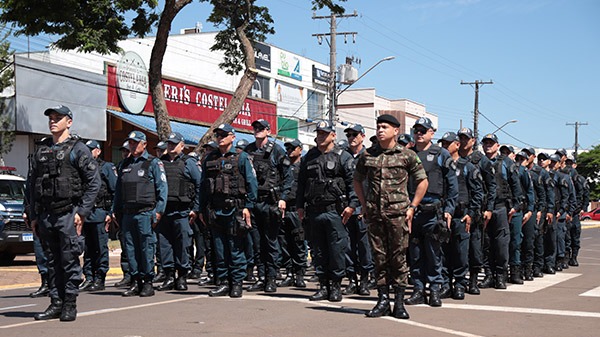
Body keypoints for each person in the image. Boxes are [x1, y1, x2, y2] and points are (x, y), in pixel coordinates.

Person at [29, 105, 101, 321]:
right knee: (51, 261)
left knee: (69, 260)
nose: (53, 121)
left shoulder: (78, 149)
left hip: (68, 214)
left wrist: (82, 212)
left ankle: (70, 304)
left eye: (58, 118)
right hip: (46, 215)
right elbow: (31, 185)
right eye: (51, 118)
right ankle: (56, 302)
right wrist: (32, 214)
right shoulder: (41, 150)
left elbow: (94, 183)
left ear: (69, 122)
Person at [354, 114, 428, 319]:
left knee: (398, 258)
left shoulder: (407, 155)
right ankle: (383, 300)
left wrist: (412, 206)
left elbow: (423, 181)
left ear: (396, 131)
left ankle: (399, 302)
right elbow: (357, 180)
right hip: (375, 216)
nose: (380, 130)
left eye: (385, 127)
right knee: (379, 258)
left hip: (398, 215)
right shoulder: (368, 155)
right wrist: (363, 204)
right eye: (378, 126)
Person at [297, 120, 359, 302]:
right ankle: (323, 285)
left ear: (333, 135)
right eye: (319, 133)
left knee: (337, 250)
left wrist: (352, 205)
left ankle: (336, 286)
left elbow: (352, 183)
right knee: (318, 250)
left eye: (324, 133)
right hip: (314, 211)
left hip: (336, 212)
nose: (321, 136)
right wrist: (300, 206)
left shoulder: (343, 156)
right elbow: (301, 184)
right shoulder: (309, 157)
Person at [200, 124, 258, 298]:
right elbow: (203, 186)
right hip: (215, 210)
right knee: (219, 248)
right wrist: (202, 209)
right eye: (218, 135)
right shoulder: (209, 158)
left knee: (235, 248)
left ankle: (237, 283)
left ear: (232, 137)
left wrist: (248, 206)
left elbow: (251, 184)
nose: (220, 138)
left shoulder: (242, 158)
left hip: (235, 209)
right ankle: (223, 282)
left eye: (224, 135)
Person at [405, 117, 458, 307]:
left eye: (423, 130)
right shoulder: (408, 153)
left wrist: (449, 210)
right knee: (415, 253)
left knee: (434, 253)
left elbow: (452, 185)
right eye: (416, 130)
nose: (419, 134)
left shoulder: (441, 154)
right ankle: (418, 289)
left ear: (431, 133)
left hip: (434, 211)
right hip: (413, 211)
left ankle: (435, 289)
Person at [113, 130, 168, 297]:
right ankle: (135, 281)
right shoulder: (124, 164)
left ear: (144, 144)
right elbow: (118, 191)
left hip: (145, 213)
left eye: (136, 143)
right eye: (130, 143)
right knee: (130, 249)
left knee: (146, 248)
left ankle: (147, 282)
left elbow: (162, 188)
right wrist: (115, 211)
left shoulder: (153, 163)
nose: (133, 146)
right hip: (128, 214)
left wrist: (158, 212)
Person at [244, 119, 292, 293]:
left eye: (261, 128)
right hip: (253, 202)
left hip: (270, 202)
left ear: (268, 130)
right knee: (257, 243)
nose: (257, 130)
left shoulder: (277, 150)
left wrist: (283, 198)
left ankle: (271, 277)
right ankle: (261, 276)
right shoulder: (248, 151)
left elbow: (288, 177)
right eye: (255, 128)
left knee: (271, 242)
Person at [439, 132, 484, 300]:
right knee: (443, 253)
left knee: (460, 253)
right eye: (443, 144)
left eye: (448, 144)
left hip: (461, 216)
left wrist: (471, 213)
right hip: (443, 215)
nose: (444, 147)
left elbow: (478, 193)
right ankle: (445, 284)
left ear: (457, 145)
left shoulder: (468, 167)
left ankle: (459, 284)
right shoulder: (439, 167)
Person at [155, 132, 202, 291]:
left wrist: (195, 209)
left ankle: (181, 277)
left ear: (182, 146)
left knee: (182, 245)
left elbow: (199, 185)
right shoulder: (160, 163)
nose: (170, 146)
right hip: (164, 211)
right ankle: (169, 276)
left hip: (182, 211)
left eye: (174, 144)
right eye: (169, 143)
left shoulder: (188, 163)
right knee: (165, 245)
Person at [480, 133, 524, 289]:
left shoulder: (506, 162)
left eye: (491, 143)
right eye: (485, 143)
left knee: (501, 244)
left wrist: (515, 207)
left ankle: (500, 275)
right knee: (486, 243)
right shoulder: (479, 161)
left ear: (497, 145)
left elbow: (516, 187)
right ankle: (489, 274)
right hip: (483, 208)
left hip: (500, 208)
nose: (488, 146)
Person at [457, 127, 497, 295]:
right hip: (459, 209)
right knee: (458, 249)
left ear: (473, 141)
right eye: (461, 138)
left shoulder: (481, 161)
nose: (464, 141)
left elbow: (491, 186)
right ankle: (459, 281)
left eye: (467, 138)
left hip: (477, 210)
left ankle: (473, 280)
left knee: (475, 247)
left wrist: (489, 208)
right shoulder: (454, 157)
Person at [79, 140, 117, 292]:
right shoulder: (82, 169)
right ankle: (89, 277)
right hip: (86, 214)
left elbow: (115, 191)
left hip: (101, 212)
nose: (88, 153)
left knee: (100, 248)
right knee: (87, 248)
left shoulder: (106, 167)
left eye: (91, 150)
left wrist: (110, 212)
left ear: (98, 151)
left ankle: (100, 278)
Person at [342, 123, 374, 296]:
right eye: (349, 135)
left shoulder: (369, 156)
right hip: (346, 209)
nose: (352, 138)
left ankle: (364, 281)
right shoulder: (343, 156)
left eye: (355, 134)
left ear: (363, 135)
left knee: (364, 247)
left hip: (364, 208)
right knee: (348, 246)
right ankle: (352, 280)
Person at [277, 139, 308, 288]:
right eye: (287, 148)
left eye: (292, 148)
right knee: (284, 242)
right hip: (283, 208)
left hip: (297, 208)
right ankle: (289, 273)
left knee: (299, 241)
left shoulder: (304, 166)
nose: (289, 151)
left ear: (300, 149)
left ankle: (300, 273)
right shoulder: (283, 166)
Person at [509, 151, 535, 284]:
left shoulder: (523, 172)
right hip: (507, 210)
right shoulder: (505, 168)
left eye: (522, 158)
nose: (519, 160)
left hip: (521, 210)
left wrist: (530, 210)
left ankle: (520, 271)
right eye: (517, 158)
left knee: (519, 242)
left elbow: (530, 191)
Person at [529, 152, 555, 278]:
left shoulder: (542, 173)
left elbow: (549, 192)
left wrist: (549, 210)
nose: (541, 161)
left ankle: (538, 266)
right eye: (540, 159)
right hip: (529, 209)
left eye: (544, 159)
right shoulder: (522, 170)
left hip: (541, 208)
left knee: (539, 236)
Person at [113, 141, 133, 288]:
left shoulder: (148, 164)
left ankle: (140, 276)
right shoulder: (121, 166)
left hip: (141, 211)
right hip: (124, 211)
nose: (125, 153)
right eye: (123, 151)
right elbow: (117, 191)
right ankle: (127, 274)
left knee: (139, 246)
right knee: (125, 245)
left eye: (127, 150)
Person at [564, 156, 589, 266]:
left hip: (575, 213)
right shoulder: (563, 177)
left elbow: (586, 196)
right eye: (567, 163)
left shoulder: (580, 180)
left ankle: (573, 257)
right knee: (565, 236)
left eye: (571, 163)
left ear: (575, 165)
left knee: (575, 236)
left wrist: (583, 209)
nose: (569, 166)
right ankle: (565, 257)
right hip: (565, 211)